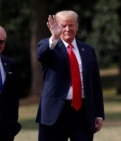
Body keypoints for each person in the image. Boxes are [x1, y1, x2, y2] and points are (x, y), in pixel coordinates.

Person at [35, 10, 105, 141]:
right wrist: (54, 38)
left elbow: (95, 83)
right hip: (55, 113)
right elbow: (41, 55)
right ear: (56, 27)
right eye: (63, 25)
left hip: (83, 113)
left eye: (71, 25)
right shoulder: (49, 46)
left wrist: (99, 114)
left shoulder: (88, 50)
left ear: (77, 26)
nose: (67, 29)